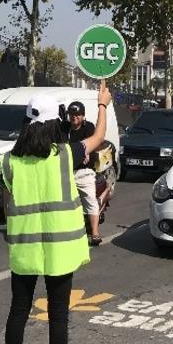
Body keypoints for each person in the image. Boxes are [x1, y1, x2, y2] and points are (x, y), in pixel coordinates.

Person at [1, 81, 112, 344]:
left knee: (18, 309)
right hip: (59, 249)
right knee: (58, 314)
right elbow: (99, 138)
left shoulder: (9, 161)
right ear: (55, 123)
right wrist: (102, 104)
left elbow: (7, 206)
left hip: (24, 248)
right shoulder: (64, 155)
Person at [65, 100, 102, 246]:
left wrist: (86, 153)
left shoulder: (88, 127)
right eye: (71, 114)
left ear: (83, 115)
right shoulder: (64, 128)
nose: (74, 117)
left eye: (77, 114)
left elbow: (92, 143)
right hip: (66, 171)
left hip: (84, 172)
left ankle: (95, 233)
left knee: (90, 200)